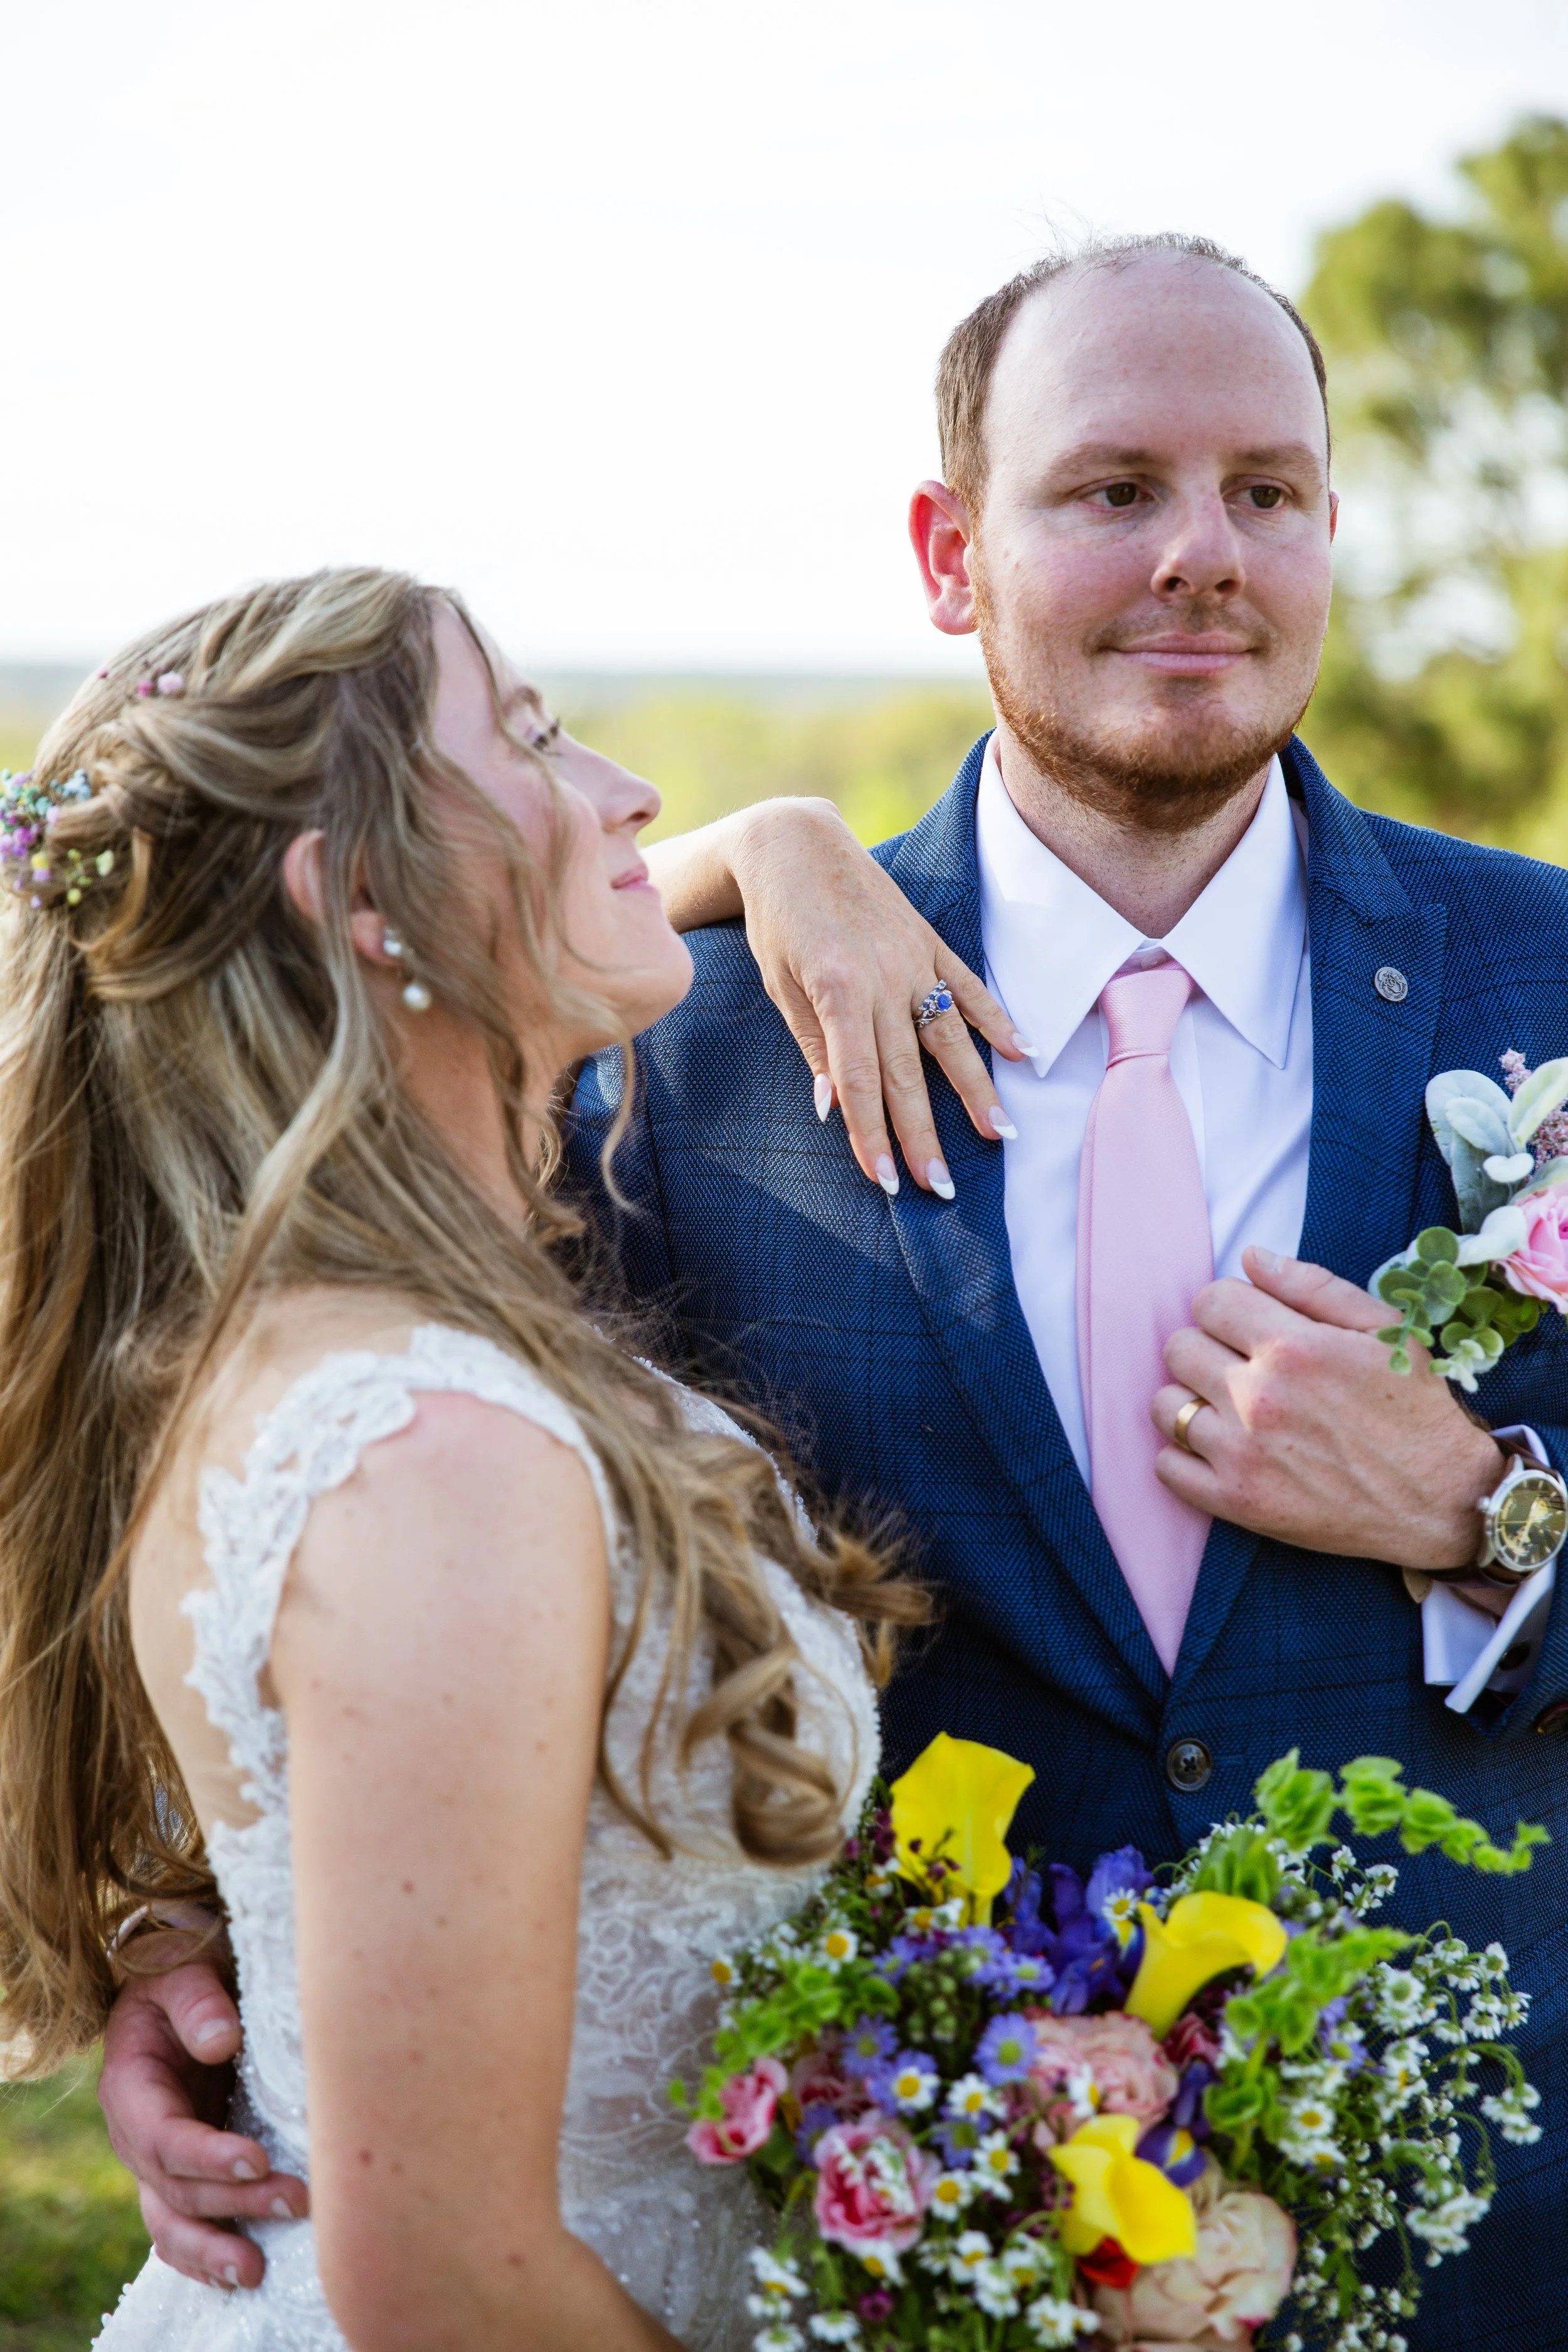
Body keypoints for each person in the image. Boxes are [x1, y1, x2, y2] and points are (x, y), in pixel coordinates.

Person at [101, 232, 1568, 2346]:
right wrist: (169, 1915)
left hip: (1490, 2220)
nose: (1202, 554)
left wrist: (1477, 1510)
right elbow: (272, 1463)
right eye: (1109, 489)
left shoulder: (1543, 981)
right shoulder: (667, 1057)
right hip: (885, 2233)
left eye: (1267, 488)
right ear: (947, 553)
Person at [0, 569, 927, 2351]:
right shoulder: (426, 1450)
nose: (628, 792)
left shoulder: (322, 1336)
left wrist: (794, 840)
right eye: (527, 735)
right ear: (355, 900)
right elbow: (441, 2278)